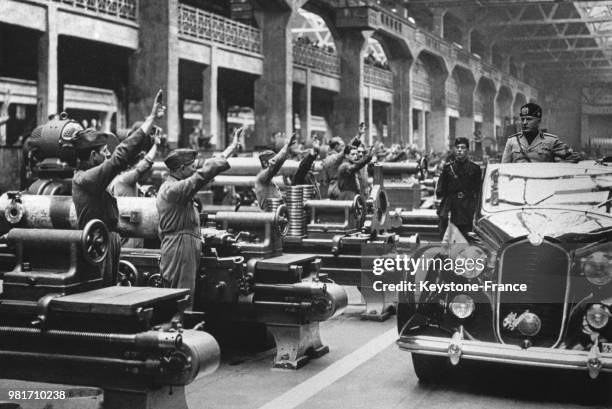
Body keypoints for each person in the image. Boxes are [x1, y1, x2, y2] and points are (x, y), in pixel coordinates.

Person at [72, 90, 165, 286]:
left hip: (107, 238)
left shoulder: (92, 178)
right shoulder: (86, 179)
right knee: (102, 293)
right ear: (91, 157)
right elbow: (118, 158)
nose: (107, 154)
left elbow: (124, 160)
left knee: (110, 288)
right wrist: (150, 119)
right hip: (97, 242)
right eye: (103, 151)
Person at [156, 149, 230, 307]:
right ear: (181, 168)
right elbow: (199, 178)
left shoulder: (176, 187)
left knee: (184, 291)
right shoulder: (172, 190)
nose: (194, 170)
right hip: (180, 247)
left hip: (183, 244)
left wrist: (229, 150)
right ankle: (181, 327)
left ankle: (182, 324)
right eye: (191, 166)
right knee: (183, 295)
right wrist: (216, 163)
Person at [108, 128, 162, 248]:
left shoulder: (117, 179)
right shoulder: (124, 180)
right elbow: (143, 167)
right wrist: (156, 146)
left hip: (126, 237)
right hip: (129, 242)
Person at [502, 103, 580, 163]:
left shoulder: (551, 141)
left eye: (529, 119)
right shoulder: (512, 141)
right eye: (522, 119)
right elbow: (503, 168)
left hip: (543, 183)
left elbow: (574, 157)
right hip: (520, 183)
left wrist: (557, 168)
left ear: (539, 121)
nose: (524, 122)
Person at [436, 137, 482, 240]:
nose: (459, 150)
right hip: (453, 209)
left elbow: (479, 192)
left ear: (467, 150)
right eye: (457, 147)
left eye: (463, 147)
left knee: (468, 239)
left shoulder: (475, 169)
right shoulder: (448, 169)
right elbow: (440, 191)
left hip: (468, 209)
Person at [254, 133, 297, 209]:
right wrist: (286, 147)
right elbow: (275, 165)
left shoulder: (268, 178)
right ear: (265, 163)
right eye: (272, 159)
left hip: (273, 214)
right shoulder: (262, 177)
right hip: (269, 216)